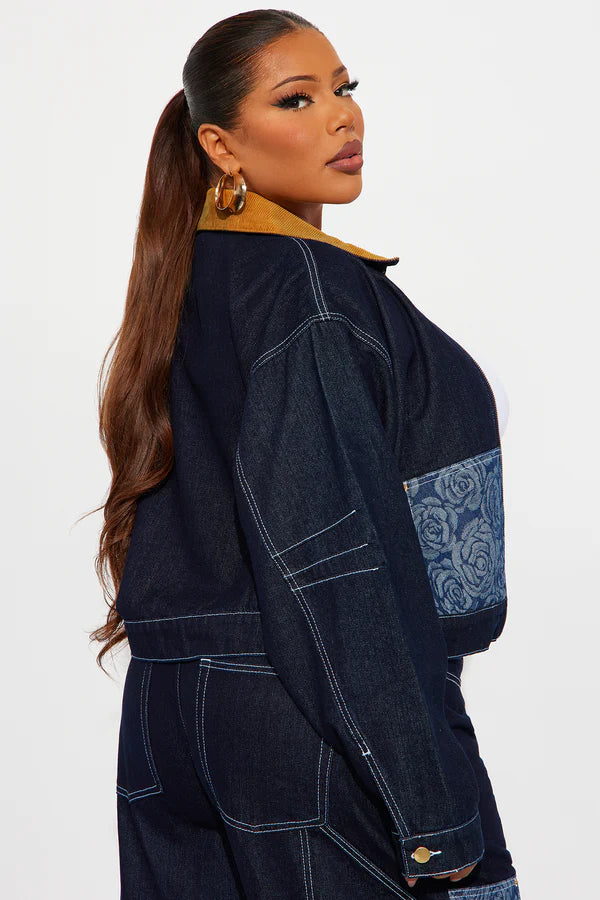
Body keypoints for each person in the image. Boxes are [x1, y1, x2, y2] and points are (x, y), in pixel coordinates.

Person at [90, 9, 522, 899]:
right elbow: (331, 558)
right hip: (312, 719)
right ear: (220, 145)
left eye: (343, 89)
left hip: (170, 715)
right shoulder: (308, 290)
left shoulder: (195, 274)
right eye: (297, 99)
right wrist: (431, 810)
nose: (341, 116)